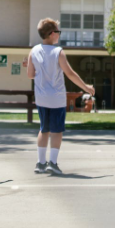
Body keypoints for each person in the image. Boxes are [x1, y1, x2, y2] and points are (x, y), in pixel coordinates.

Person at [26, 18, 95, 175]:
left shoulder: (34, 51)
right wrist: (86, 87)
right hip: (56, 98)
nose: (59, 34)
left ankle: (40, 163)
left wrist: (39, 70)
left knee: (44, 130)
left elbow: (30, 75)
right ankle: (53, 163)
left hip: (41, 98)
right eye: (58, 31)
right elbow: (69, 73)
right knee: (56, 131)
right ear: (51, 34)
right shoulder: (58, 52)